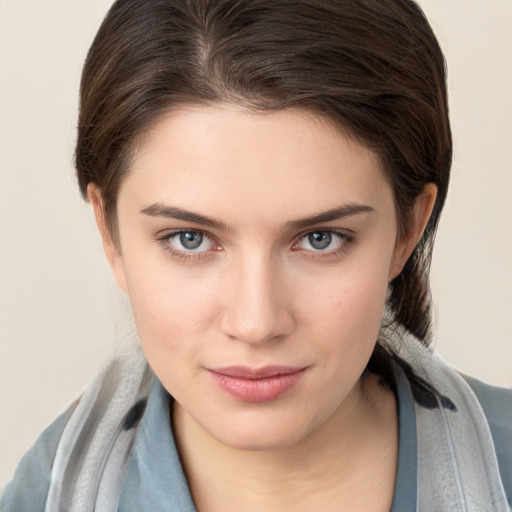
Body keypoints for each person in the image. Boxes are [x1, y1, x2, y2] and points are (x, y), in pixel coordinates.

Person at [2, 0, 511, 510]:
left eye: (321, 238)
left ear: (408, 231)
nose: (256, 322)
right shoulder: (42, 496)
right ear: (109, 232)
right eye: (190, 239)